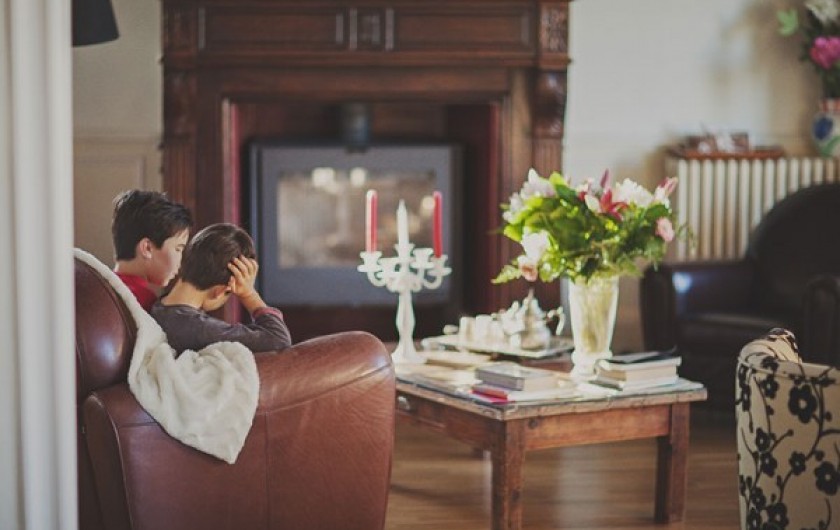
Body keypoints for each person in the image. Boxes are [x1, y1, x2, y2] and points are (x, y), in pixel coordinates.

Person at [151, 223, 292, 355]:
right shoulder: (198, 329)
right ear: (219, 291)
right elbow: (278, 340)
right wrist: (249, 294)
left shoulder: (158, 307)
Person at [112, 190, 193, 311]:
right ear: (147, 248)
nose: (180, 263)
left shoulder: (103, 288)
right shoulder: (144, 303)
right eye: (178, 249)